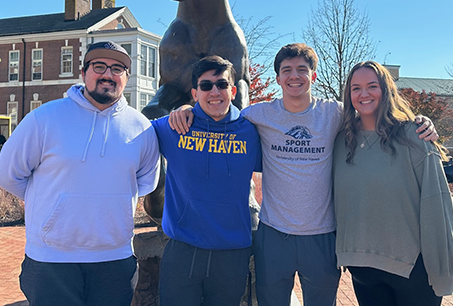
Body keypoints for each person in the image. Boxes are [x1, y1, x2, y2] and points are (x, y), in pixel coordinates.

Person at [169, 43, 437, 306]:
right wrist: (186, 110)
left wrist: (420, 121)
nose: (294, 76)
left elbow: (374, 115)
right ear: (278, 78)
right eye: (287, 70)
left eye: (301, 69)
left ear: (313, 76)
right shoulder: (257, 115)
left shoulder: (336, 113)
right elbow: (219, 112)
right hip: (274, 236)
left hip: (322, 237)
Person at [0, 41, 160, 306]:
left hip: (114, 258)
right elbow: (8, 175)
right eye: (99, 66)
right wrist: (54, 203)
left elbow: (145, 182)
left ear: (126, 78)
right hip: (52, 259)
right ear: (83, 73)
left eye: (117, 69)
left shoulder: (141, 128)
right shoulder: (45, 118)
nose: (108, 74)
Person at [333, 61, 453, 306]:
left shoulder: (415, 136)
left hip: (412, 271)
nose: (364, 93)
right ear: (348, 94)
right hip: (362, 269)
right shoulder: (339, 141)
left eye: (372, 86)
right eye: (356, 88)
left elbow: (437, 206)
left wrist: (443, 272)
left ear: (386, 90)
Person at [151, 55, 262, 306]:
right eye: (206, 85)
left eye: (222, 84)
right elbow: (127, 133)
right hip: (183, 249)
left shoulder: (252, 131)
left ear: (233, 91)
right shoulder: (173, 126)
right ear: (194, 92)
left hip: (232, 251)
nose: (215, 91)